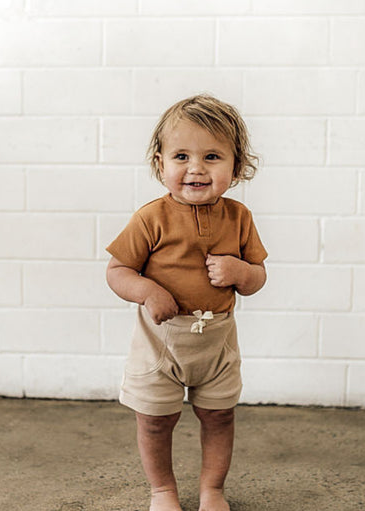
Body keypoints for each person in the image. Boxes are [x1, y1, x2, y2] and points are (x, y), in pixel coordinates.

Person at [105, 94, 268, 511]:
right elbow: (117, 271)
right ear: (161, 164)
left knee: (219, 417)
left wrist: (240, 273)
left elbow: (258, 276)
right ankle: (162, 491)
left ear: (236, 167)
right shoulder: (150, 218)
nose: (196, 168)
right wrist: (148, 291)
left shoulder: (240, 218)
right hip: (161, 343)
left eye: (212, 156)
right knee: (156, 421)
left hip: (217, 343)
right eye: (181, 155)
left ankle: (212, 489)